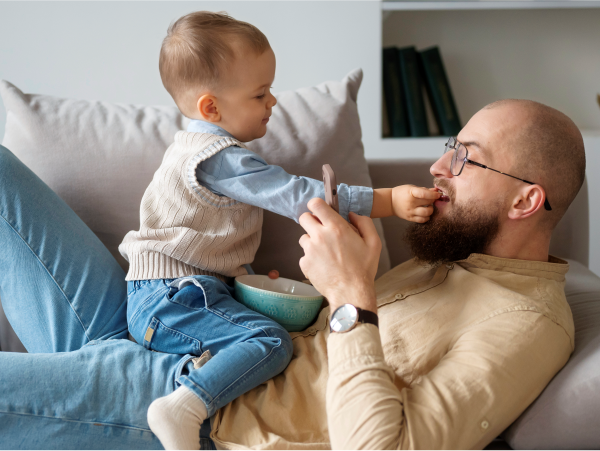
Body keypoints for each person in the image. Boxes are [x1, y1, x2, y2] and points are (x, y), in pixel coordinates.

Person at [0, 98, 584, 451]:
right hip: (176, 327)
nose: (437, 167)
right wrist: (288, 302)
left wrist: (353, 294)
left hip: (194, 408)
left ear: (525, 202)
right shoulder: (454, 257)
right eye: (447, 146)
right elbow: (330, 348)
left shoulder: (526, 324)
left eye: (465, 156)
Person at [117, 11, 439, 451]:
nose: (273, 102)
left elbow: (210, 245)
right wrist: (387, 200)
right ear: (211, 107)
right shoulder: (219, 158)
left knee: (278, 329)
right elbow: (298, 195)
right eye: (260, 93)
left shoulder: (199, 148)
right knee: (269, 342)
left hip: (180, 294)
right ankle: (183, 406)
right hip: (170, 298)